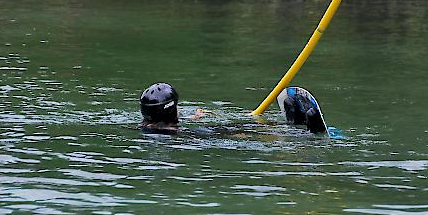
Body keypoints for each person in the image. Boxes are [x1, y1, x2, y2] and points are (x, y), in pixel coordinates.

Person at [139, 82, 328, 135]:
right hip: (203, 136)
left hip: (191, 132)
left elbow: (165, 125)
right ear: (171, 109)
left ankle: (293, 125)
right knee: (246, 129)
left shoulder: (147, 127)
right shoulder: (180, 132)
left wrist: (192, 118)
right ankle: (309, 133)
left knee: (243, 128)